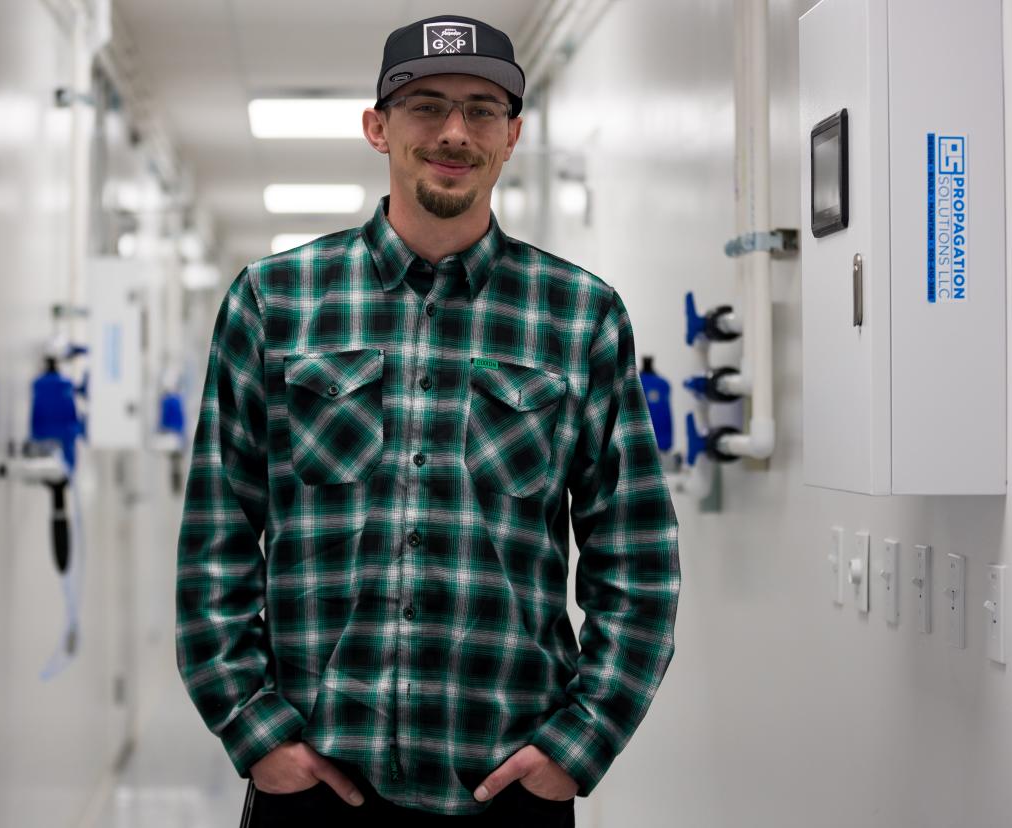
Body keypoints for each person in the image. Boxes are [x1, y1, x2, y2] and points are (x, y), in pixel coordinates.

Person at [176, 13, 680, 826]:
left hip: (506, 788)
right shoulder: (275, 302)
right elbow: (217, 541)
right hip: (314, 783)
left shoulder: (580, 315)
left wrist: (581, 741)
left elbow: (638, 559)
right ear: (378, 127)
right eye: (426, 105)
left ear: (512, 135)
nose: (454, 131)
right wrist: (251, 727)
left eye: (483, 109)